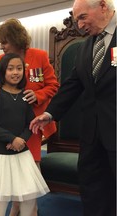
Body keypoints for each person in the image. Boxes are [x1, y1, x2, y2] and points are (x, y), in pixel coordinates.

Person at [30, 1, 116, 216]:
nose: (79, 25)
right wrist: (50, 114)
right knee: (93, 190)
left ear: (103, 6)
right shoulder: (87, 45)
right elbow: (73, 83)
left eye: (83, 17)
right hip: (91, 135)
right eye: (77, 19)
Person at [0, 18, 59, 215]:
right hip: (8, 124)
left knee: (29, 170)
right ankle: (16, 207)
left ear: (16, 39)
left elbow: (53, 85)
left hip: (33, 125)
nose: (1, 47)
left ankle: (28, 208)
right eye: (0, 43)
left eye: (4, 42)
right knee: (11, 169)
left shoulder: (40, 56)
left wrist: (38, 95)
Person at [0, 53, 49, 216]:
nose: (15, 72)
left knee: (29, 195)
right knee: (2, 198)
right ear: (3, 72)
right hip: (1, 154)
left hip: (22, 153)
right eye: (10, 68)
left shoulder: (25, 96)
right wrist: (12, 139)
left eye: (19, 68)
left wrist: (21, 141)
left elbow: (31, 124)